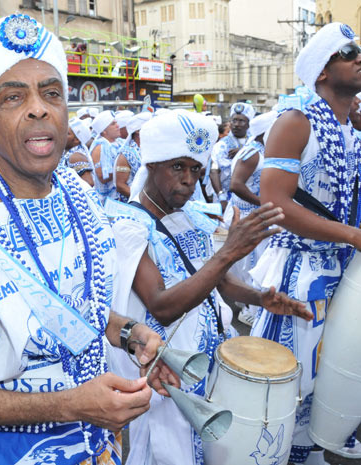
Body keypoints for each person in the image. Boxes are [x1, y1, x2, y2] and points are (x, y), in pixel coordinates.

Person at [0, 15, 179, 464]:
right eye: (14, 96)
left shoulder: (80, 197)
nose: (39, 108)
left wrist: (129, 331)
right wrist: (71, 404)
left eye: (51, 93)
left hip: (94, 445)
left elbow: (68, 306)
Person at [107, 110, 311, 465]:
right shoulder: (128, 225)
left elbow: (213, 279)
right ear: (152, 165)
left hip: (208, 363)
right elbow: (161, 305)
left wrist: (257, 297)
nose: (189, 180)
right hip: (168, 377)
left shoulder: (190, 216)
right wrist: (229, 251)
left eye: (196, 169)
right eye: (177, 167)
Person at [249, 23, 361, 465]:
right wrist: (352, 235)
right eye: (347, 51)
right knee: (286, 384)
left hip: (339, 273)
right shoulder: (295, 122)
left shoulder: (351, 130)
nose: (358, 57)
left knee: (329, 378)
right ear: (321, 72)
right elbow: (272, 200)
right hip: (298, 273)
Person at [226, 111, 277, 326]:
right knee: (251, 265)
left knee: (251, 264)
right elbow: (236, 185)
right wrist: (262, 203)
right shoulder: (253, 153)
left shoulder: (258, 150)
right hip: (247, 215)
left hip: (254, 214)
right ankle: (248, 311)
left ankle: (247, 304)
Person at [210, 102, 254, 210]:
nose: (236, 124)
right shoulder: (220, 146)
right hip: (225, 200)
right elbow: (213, 171)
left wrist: (244, 151)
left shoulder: (255, 145)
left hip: (251, 201)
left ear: (249, 123)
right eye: (234, 120)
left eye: (241, 121)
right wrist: (221, 197)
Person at [111, 111, 151, 202]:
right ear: (137, 131)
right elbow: (120, 185)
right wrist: (142, 200)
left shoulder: (149, 149)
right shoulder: (126, 154)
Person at [90, 110, 121, 202]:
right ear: (104, 131)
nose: (118, 126)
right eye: (113, 124)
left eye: (116, 123)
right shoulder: (100, 146)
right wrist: (124, 171)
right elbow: (103, 177)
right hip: (107, 202)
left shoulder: (119, 142)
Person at [62, 117, 94, 186]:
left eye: (67, 133)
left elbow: (89, 182)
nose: (62, 135)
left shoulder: (76, 157)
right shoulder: (68, 153)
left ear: (76, 140)